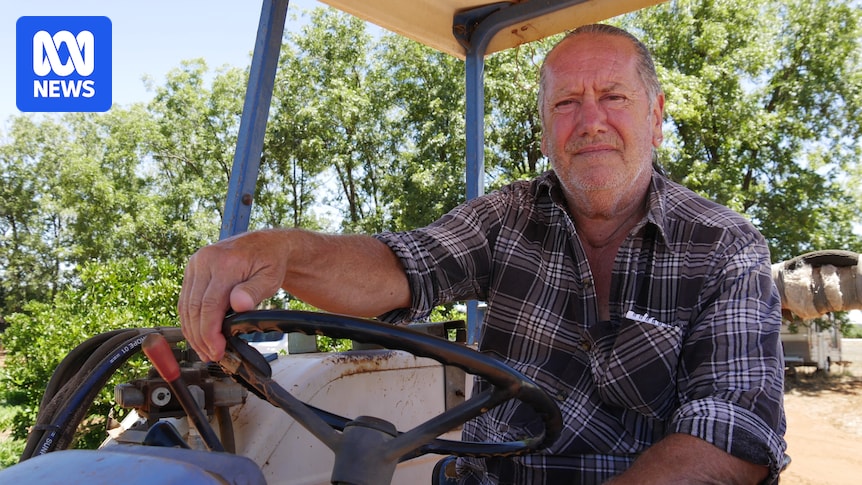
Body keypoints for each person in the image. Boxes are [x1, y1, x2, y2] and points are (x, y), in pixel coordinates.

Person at [179, 24, 787, 484]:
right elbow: (400, 266)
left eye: (614, 97)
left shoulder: (725, 246)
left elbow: (731, 438)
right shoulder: (509, 216)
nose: (590, 121)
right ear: (547, 131)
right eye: (566, 103)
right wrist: (280, 251)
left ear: (655, 117)